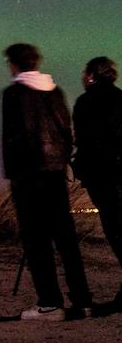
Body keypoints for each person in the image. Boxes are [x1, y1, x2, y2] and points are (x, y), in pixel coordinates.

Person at [2, 43, 92, 319]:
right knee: (65, 238)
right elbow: (66, 130)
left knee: (36, 239)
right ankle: (83, 300)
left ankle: (50, 302)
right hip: (55, 172)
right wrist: (62, 159)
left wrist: (13, 174)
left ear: (14, 64)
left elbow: (13, 138)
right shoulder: (55, 90)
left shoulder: (14, 94)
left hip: (29, 176)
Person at [74, 56, 122, 302]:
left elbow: (84, 139)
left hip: (100, 174)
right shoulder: (121, 98)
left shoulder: (85, 102)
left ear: (91, 75)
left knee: (114, 228)